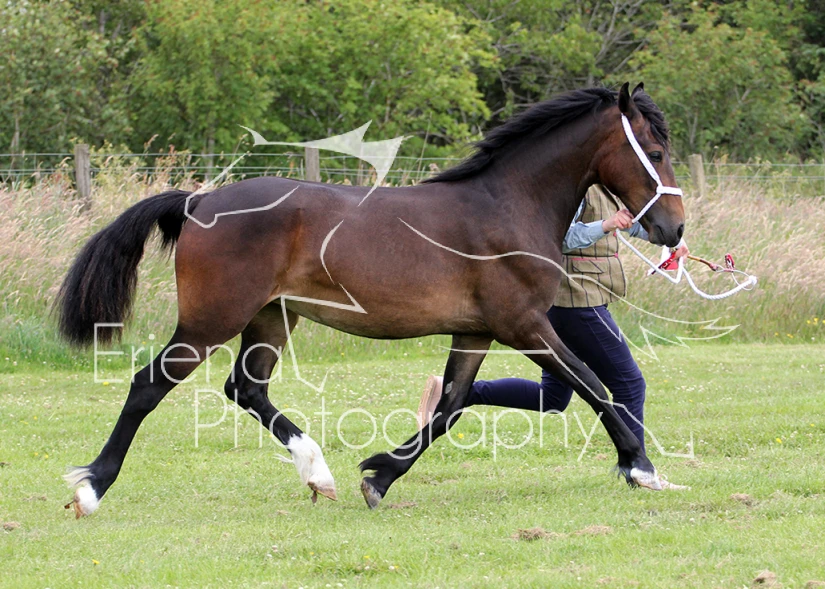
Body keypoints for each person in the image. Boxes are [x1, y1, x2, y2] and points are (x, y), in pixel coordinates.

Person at [416, 185, 688, 489]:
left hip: (575, 300)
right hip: (578, 301)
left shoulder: (607, 185)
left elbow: (632, 223)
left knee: (552, 397)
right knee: (629, 384)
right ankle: (639, 470)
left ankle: (456, 393)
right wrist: (606, 224)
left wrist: (670, 241)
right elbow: (562, 237)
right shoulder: (577, 187)